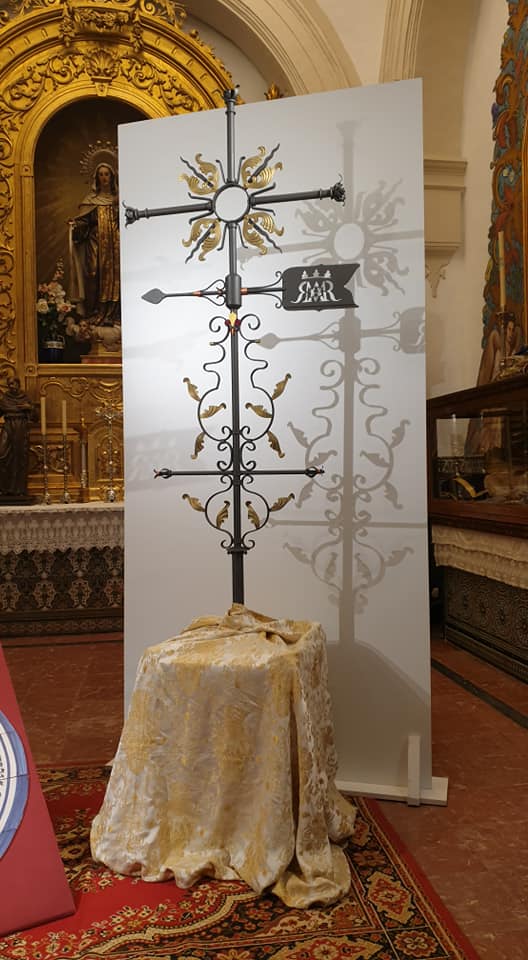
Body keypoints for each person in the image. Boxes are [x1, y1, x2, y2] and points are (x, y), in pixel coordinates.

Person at [69, 162, 120, 327]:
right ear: (96, 178)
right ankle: (94, 311)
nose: (104, 178)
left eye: (107, 174)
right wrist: (76, 226)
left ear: (112, 177)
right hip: (95, 241)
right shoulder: (90, 201)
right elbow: (83, 222)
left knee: (115, 275)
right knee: (93, 272)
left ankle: (112, 314)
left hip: (114, 244)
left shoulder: (118, 199)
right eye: (101, 174)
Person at [0, 375, 37, 499]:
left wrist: (29, 408)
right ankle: (4, 488)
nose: (11, 386)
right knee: (2, 454)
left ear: (18, 384)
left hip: (20, 427)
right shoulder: (5, 398)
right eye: (9, 384)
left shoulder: (25, 398)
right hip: (8, 426)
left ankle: (18, 489)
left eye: (13, 384)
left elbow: (35, 418)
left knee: (19, 457)